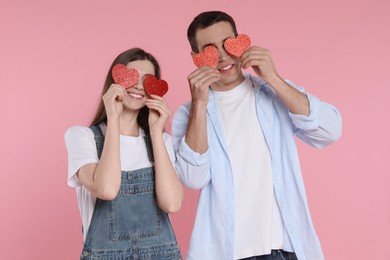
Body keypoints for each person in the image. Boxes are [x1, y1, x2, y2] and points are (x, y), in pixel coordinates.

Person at [172, 11, 342, 260]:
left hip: (285, 248)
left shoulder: (274, 93)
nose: (222, 56)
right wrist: (199, 103)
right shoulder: (188, 113)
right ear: (196, 57)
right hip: (229, 251)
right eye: (209, 49)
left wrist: (272, 77)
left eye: (228, 43)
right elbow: (193, 178)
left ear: (240, 41)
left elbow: (330, 131)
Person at [65, 48, 183, 259]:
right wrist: (113, 118)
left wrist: (156, 132)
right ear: (115, 81)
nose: (138, 86)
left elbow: (172, 203)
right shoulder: (82, 138)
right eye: (132, 77)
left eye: (147, 80)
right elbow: (107, 189)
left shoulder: (161, 141)